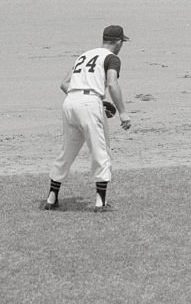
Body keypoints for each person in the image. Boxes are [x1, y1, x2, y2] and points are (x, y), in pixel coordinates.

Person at [42, 25, 132, 212]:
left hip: (69, 102)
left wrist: (79, 98)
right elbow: (112, 83)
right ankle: (101, 203)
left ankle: (51, 198)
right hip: (89, 103)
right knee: (101, 151)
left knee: (67, 151)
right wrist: (122, 112)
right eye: (122, 42)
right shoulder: (112, 58)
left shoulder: (84, 55)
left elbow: (64, 83)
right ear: (117, 42)